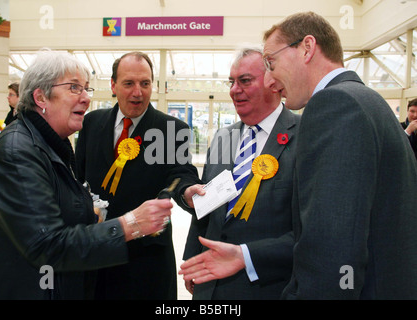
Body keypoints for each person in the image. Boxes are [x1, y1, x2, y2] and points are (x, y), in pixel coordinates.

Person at [0, 50, 173, 300]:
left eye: (86, 89)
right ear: (41, 97)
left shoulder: (49, 146)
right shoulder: (18, 153)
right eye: (74, 88)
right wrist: (129, 224)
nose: (85, 99)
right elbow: (47, 245)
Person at [261, 11, 417, 299]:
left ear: (306, 48)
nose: (269, 81)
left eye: (271, 62)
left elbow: (333, 245)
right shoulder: (368, 101)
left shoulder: (335, 105)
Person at [75, 51, 201, 300]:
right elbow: (78, 178)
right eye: (129, 83)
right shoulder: (90, 123)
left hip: (146, 262)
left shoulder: (172, 130)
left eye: (145, 83)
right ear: (113, 85)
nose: (138, 92)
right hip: (96, 257)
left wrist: (187, 191)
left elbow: (181, 173)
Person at [179, 47, 300, 300]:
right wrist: (192, 259)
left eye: (245, 81)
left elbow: (308, 232)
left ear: (274, 83)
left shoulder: (304, 137)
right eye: (231, 82)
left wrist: (247, 256)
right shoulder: (224, 138)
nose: (234, 89)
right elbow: (207, 212)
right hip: (209, 285)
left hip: (268, 288)